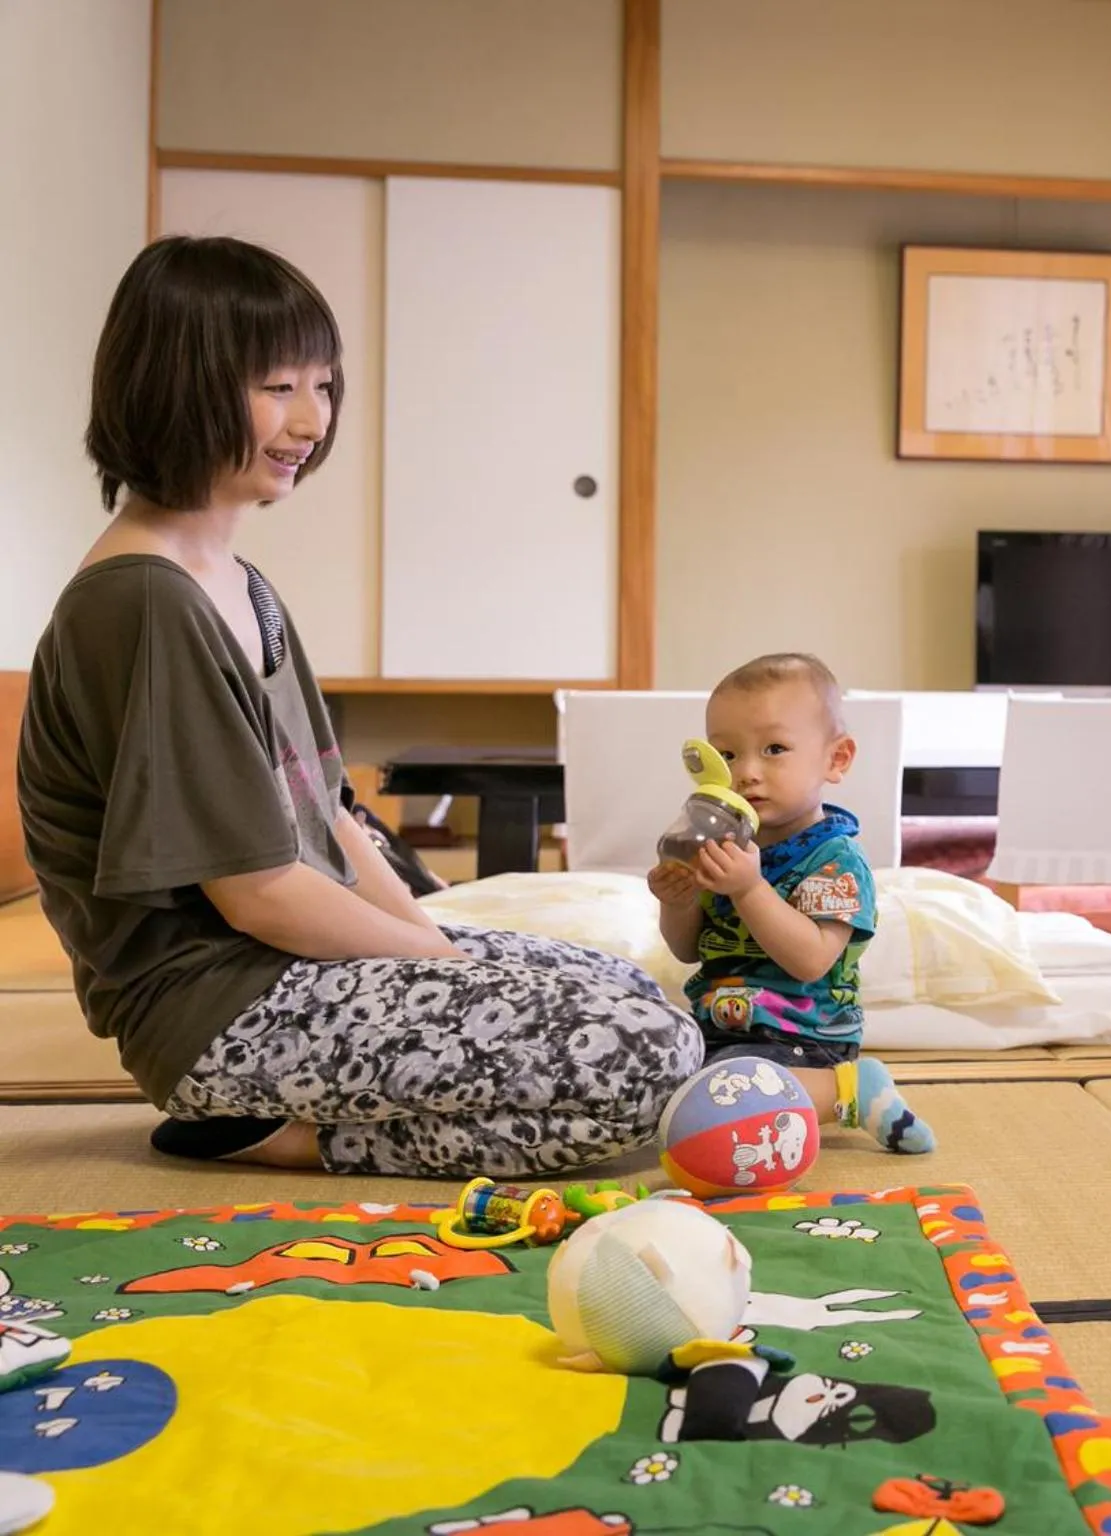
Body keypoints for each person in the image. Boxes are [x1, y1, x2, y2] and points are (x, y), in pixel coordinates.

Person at [16, 236, 703, 1177]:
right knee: (645, 1059)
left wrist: (431, 939)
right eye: (276, 387)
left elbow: (330, 818)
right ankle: (269, 1133)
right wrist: (444, 965)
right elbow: (258, 894)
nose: (310, 419)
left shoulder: (238, 582)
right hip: (221, 1010)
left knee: (642, 992)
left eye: (324, 385)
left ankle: (305, 1111)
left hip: (291, 962)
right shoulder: (142, 599)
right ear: (176, 385)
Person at [647, 653, 935, 1154]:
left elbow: (810, 959)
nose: (747, 773)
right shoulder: (730, 846)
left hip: (801, 1037)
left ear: (835, 759)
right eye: (728, 756)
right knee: (651, 1067)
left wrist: (750, 890)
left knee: (713, 1098)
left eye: (774, 748)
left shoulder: (834, 857)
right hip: (717, 1026)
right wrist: (679, 903)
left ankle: (847, 1090)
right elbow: (688, 950)